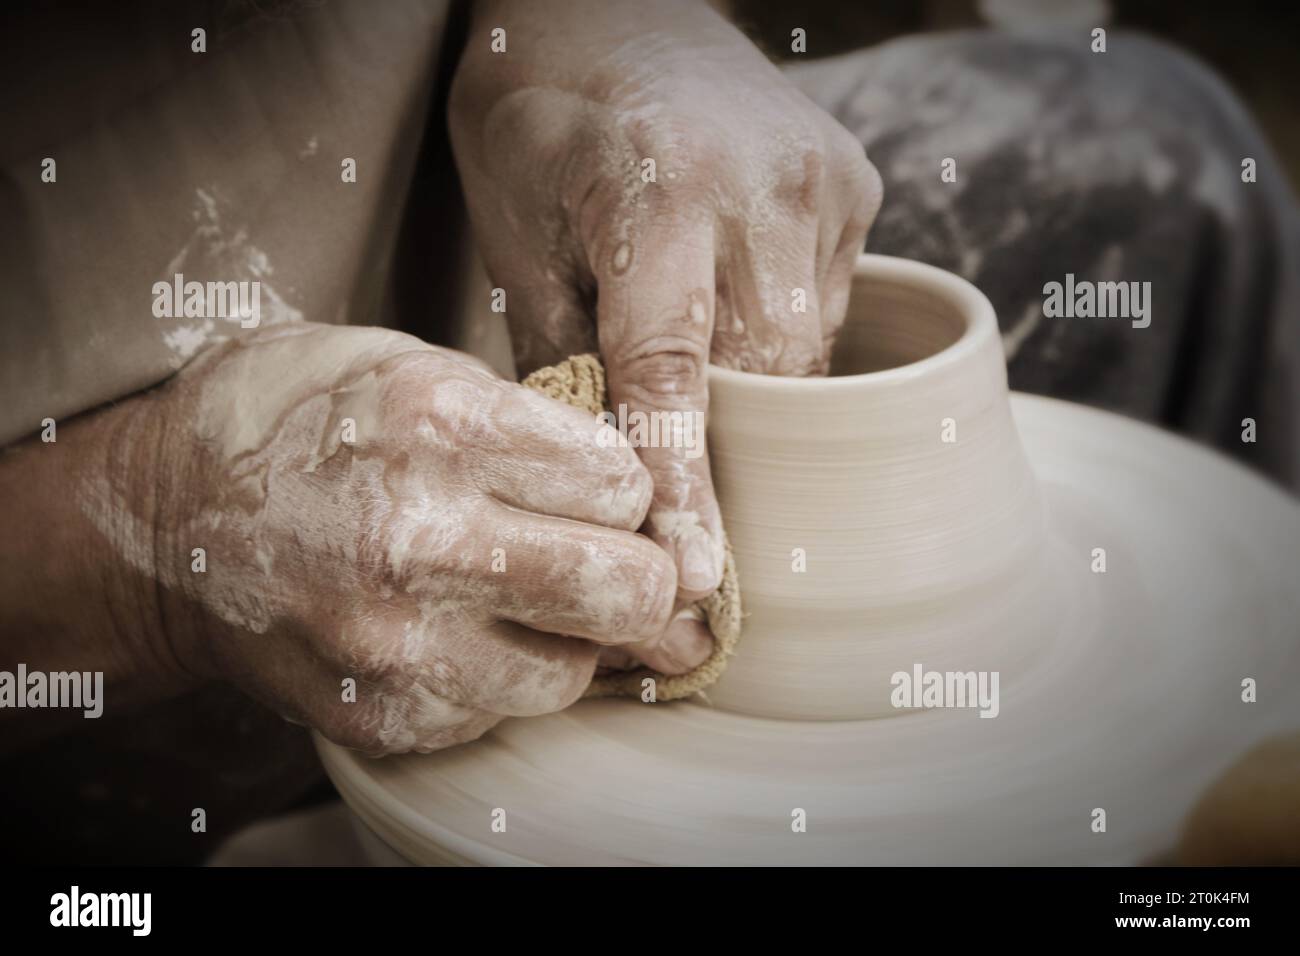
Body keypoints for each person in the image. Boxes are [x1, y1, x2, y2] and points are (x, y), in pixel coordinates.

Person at [1, 0, 1294, 863]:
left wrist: (596, 38)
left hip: (504, 267)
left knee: (1152, 161)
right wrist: (162, 538)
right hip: (90, 641)